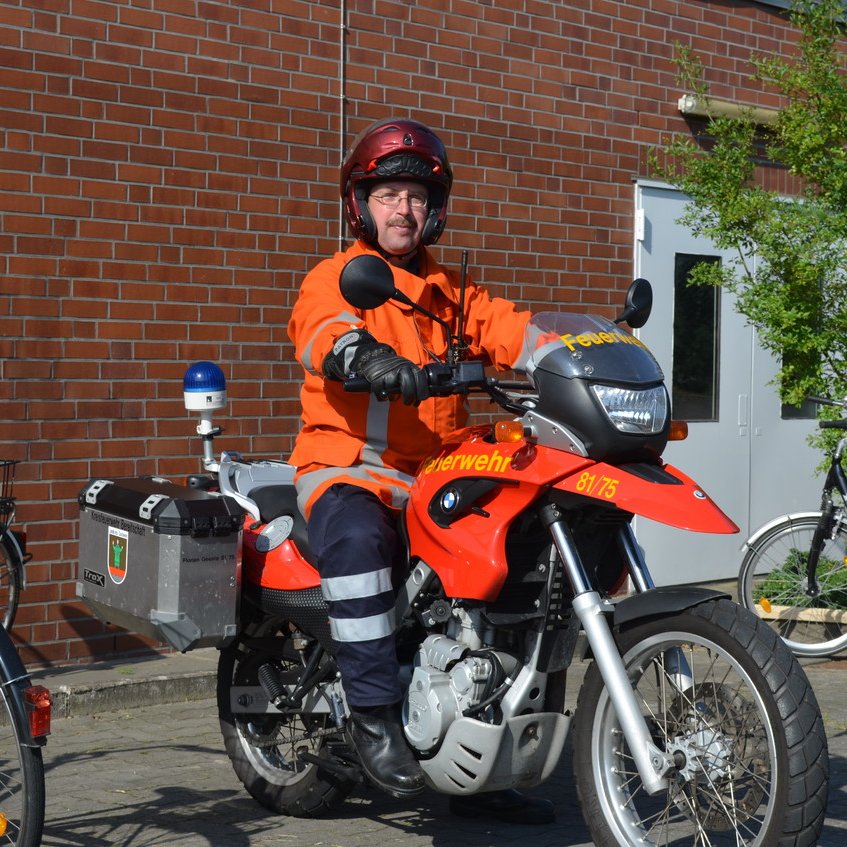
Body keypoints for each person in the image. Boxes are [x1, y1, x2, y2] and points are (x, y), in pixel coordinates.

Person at [287, 118, 554, 824]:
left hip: (440, 473)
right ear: (361, 204)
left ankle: (488, 754)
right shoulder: (339, 277)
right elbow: (322, 330)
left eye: (413, 195)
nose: (401, 209)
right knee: (356, 540)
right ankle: (373, 717)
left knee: (515, 565)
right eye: (387, 194)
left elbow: (512, 329)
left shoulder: (454, 291)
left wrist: (573, 354)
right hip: (354, 466)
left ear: (433, 207)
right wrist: (364, 358)